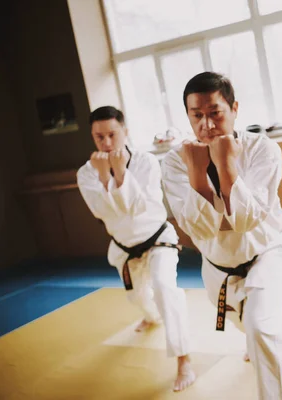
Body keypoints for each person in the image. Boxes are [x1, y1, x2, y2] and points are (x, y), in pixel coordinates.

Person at [161, 72, 282, 400]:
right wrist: (197, 173)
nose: (206, 124)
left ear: (234, 108)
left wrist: (225, 166)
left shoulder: (263, 149)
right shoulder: (174, 162)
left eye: (215, 113)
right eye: (197, 116)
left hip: (266, 253)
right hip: (218, 265)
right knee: (247, 325)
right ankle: (252, 338)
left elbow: (248, 219)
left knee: (263, 326)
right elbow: (199, 229)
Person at [77, 106, 195, 392]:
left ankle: (184, 359)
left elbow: (137, 207)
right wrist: (105, 177)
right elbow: (102, 212)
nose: (106, 143)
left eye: (112, 134)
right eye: (99, 137)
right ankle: (151, 315)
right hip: (124, 247)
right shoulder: (87, 172)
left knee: (165, 288)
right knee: (138, 298)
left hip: (157, 239)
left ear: (125, 132)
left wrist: (117, 174)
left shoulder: (146, 162)